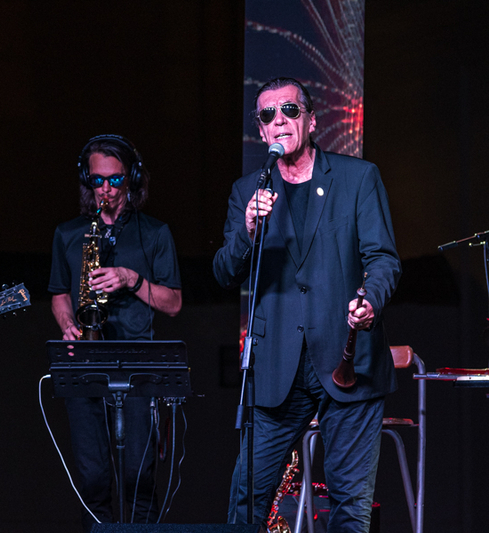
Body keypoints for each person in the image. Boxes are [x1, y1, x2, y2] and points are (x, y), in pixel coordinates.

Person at [214, 78, 401, 532]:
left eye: (290, 110)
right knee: (246, 500)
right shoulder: (247, 191)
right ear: (261, 130)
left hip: (347, 359)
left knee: (349, 506)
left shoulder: (358, 178)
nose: (279, 120)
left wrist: (370, 301)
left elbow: (383, 259)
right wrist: (248, 232)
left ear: (311, 121)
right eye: (268, 115)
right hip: (276, 366)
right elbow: (224, 272)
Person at [49, 135, 182, 532]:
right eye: (97, 180)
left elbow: (173, 303)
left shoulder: (155, 233)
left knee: (138, 476)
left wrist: (130, 279)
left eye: (115, 180)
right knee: (92, 477)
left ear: (132, 179)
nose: (105, 189)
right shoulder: (68, 233)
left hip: (137, 364)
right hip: (84, 363)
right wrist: (67, 323)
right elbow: (59, 293)